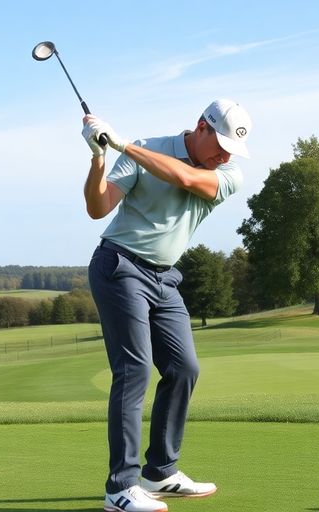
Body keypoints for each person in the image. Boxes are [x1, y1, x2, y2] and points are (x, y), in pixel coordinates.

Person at [81, 99, 252, 512]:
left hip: (165, 278)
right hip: (119, 266)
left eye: (232, 150)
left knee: (184, 368)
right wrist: (100, 156)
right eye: (221, 144)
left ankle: (159, 471)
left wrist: (123, 145)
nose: (225, 155)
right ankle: (120, 486)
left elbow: (185, 179)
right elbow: (97, 207)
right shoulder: (143, 148)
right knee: (134, 369)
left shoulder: (227, 174)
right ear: (201, 127)